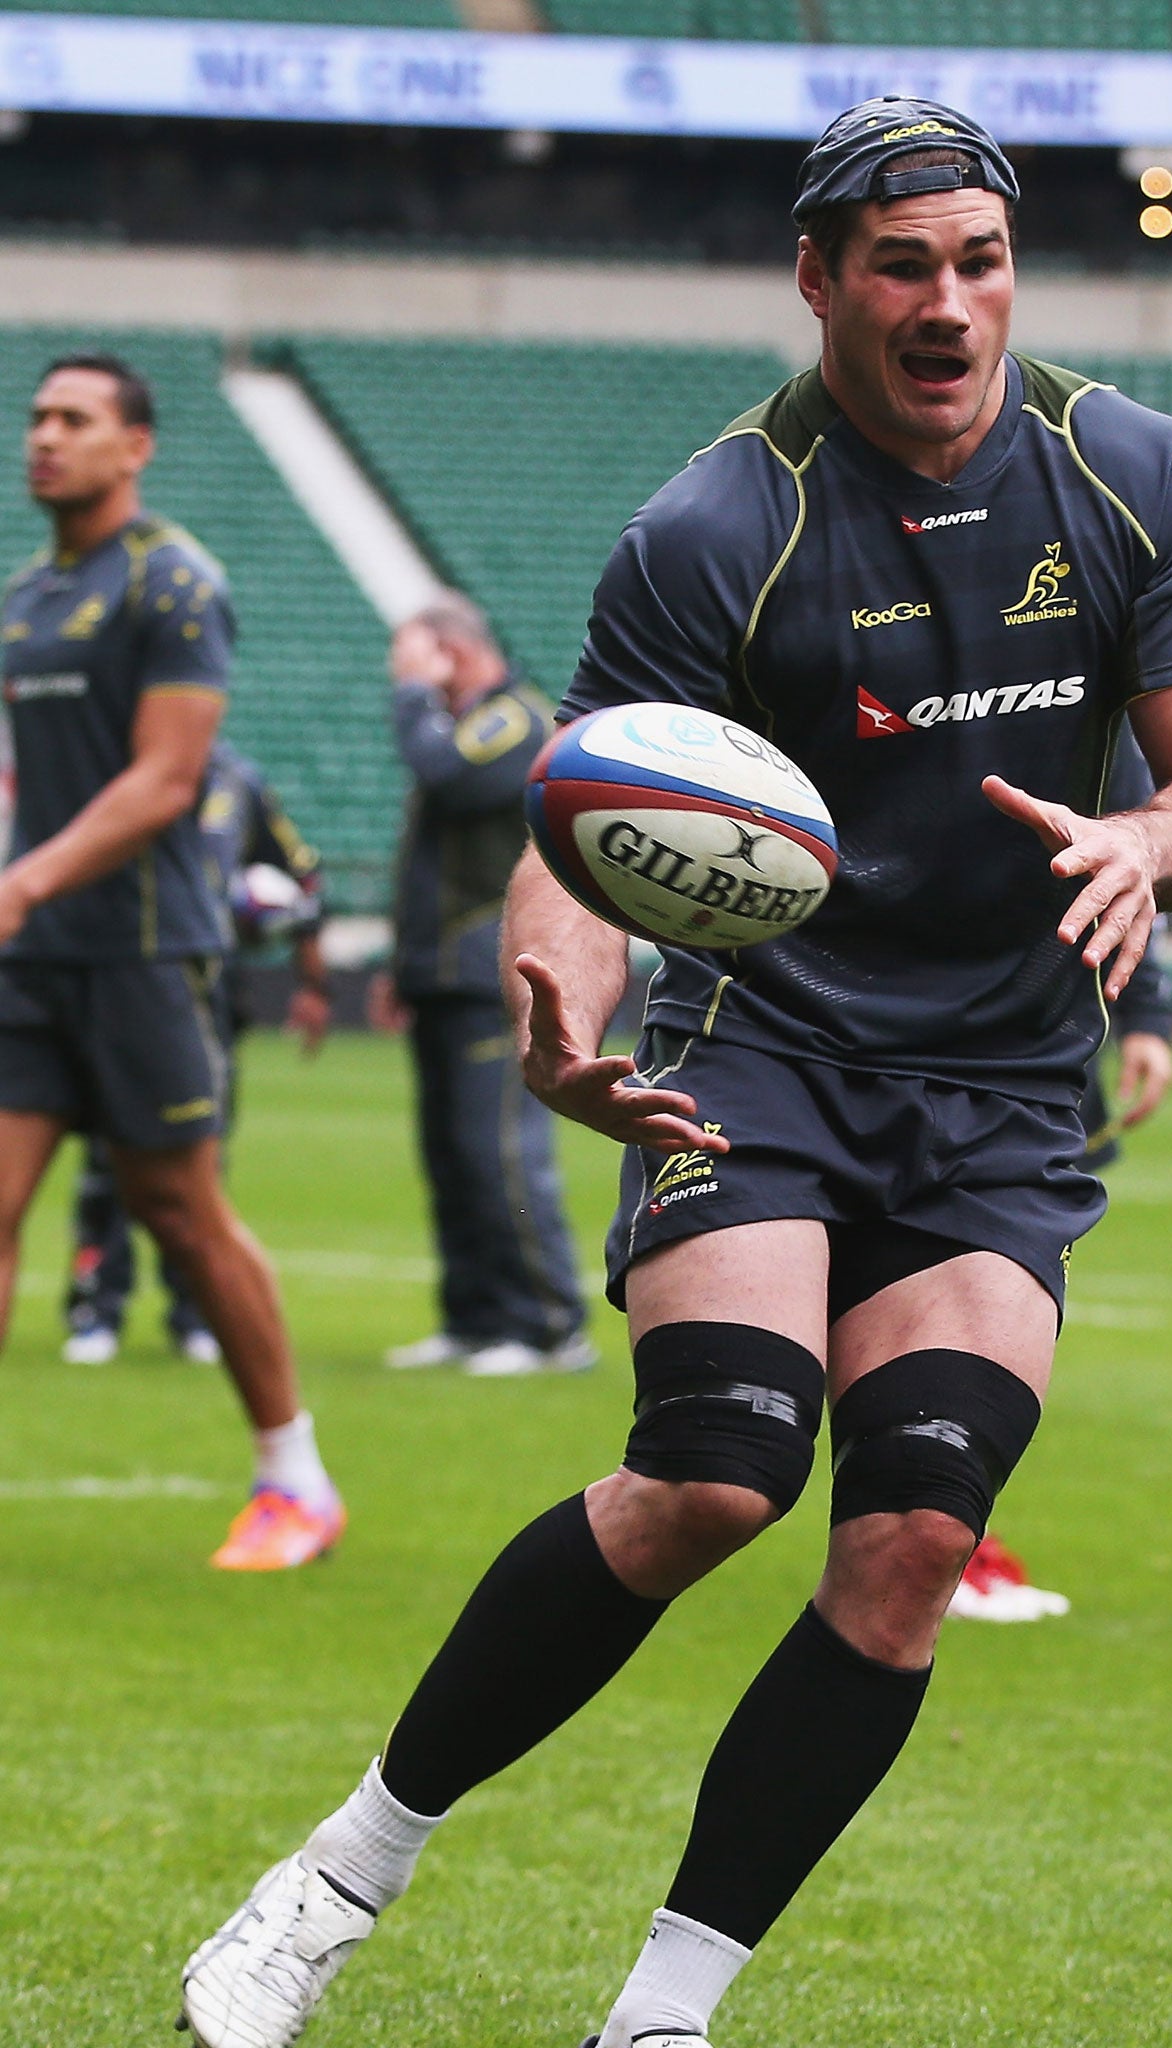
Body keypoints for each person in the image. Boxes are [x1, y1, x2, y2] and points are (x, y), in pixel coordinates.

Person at [178, 97, 1172, 2047]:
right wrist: (562, 1014)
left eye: (982, 261)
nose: (950, 306)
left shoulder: (1131, 475)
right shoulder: (717, 529)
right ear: (819, 277)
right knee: (717, 1471)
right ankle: (344, 1872)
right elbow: (584, 818)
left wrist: (1154, 848)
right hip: (756, 1044)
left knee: (921, 1531)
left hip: (1007, 1089)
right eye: (903, 266)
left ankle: (663, 2014)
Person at [0, 350, 345, 1571]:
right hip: (33, 959)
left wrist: (27, 878)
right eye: (39, 417)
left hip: (147, 949)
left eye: (75, 419)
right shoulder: (27, 596)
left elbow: (164, 780)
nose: (46, 436)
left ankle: (294, 1477)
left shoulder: (176, 579)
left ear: (134, 445)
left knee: (181, 1213)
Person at [949, 731, 1172, 1621]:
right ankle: (937, 1531)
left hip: (1034, 1048)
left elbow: (1127, 846)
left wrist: (1147, 1009)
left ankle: (947, 1531)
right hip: (853, 1041)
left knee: (984, 1301)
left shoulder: (1085, 670)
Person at [61, 737, 332, 1367]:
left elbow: (300, 873)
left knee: (199, 1156)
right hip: (122, 980)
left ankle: (194, 1313)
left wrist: (313, 985)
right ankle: (97, 1307)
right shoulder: (114, 770)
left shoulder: (239, 778)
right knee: (110, 1153)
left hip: (208, 989)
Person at [375, 594, 590, 1377]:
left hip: (489, 973)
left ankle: (548, 1326)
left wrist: (411, 692)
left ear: (452, 652)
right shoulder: (468, 725)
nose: (403, 677)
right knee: (451, 1156)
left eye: (413, 658)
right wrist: (402, 967)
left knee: (496, 1149)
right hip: (439, 974)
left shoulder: (512, 718)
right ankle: (473, 1318)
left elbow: (447, 777)